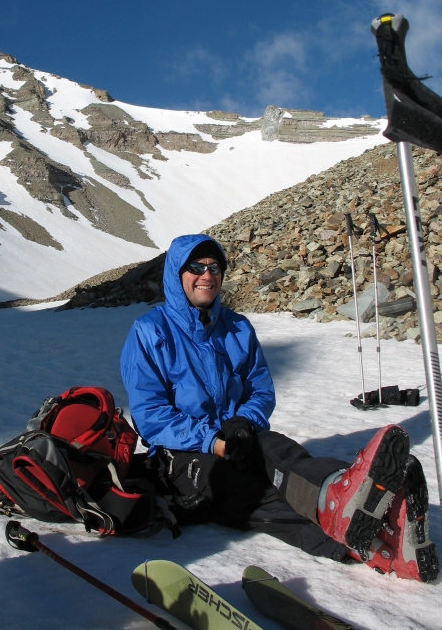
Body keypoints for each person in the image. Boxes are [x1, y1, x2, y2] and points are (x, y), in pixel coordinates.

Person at [120, 233, 439, 583]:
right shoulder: (150, 332)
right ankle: (371, 542)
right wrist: (210, 440)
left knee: (282, 452)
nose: (207, 275)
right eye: (196, 266)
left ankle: (341, 491)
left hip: (237, 433)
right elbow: (150, 415)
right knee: (243, 489)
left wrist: (244, 421)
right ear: (176, 274)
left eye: (215, 267)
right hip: (181, 452)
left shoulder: (237, 327)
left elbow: (260, 389)